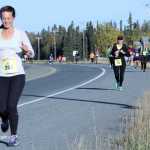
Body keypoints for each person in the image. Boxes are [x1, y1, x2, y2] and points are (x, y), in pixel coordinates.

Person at [0, 6, 34, 146]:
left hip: (17, 75)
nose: (6, 21)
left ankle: (13, 136)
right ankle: (4, 119)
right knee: (2, 108)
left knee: (11, 105)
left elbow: (31, 53)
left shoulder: (20, 34)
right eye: (3, 18)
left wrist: (27, 52)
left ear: (13, 18)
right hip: (1, 75)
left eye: (9, 18)